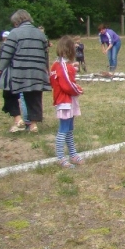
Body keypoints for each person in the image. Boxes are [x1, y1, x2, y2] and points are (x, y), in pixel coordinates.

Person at [0, 10, 50, 134]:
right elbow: (45, 54)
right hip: (37, 71)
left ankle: (18, 118)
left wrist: (0, 69)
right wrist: (46, 69)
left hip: (18, 71)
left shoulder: (14, 33)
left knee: (9, 94)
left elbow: (7, 53)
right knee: (34, 97)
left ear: (17, 22)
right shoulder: (41, 34)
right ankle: (33, 125)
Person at [49, 36, 84, 168]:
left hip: (65, 100)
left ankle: (73, 154)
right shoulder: (63, 66)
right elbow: (67, 85)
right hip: (65, 101)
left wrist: (71, 68)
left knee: (69, 129)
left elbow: (54, 80)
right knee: (63, 129)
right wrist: (79, 90)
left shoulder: (56, 64)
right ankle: (60, 157)